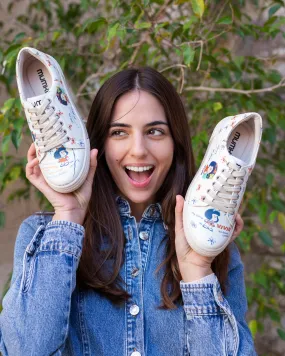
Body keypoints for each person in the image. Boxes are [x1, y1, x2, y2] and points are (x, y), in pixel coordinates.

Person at [0, 67, 256, 355]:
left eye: (155, 131)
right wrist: (67, 217)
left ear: (176, 144)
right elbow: (24, 349)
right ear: (98, 143)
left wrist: (197, 272)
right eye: (119, 132)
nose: (138, 150)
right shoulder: (42, 237)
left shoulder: (213, 250)